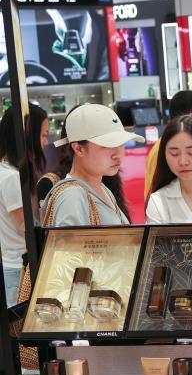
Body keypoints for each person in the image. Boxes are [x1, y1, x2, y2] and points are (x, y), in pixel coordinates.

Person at [41, 104, 135, 226]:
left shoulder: (102, 189)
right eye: (107, 145)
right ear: (78, 149)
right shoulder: (72, 196)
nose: (118, 154)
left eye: (121, 143)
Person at [0, 104, 48, 306]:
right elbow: (25, 227)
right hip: (19, 268)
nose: (46, 142)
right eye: (43, 135)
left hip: (17, 264)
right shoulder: (11, 177)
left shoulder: (8, 171)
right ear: (27, 137)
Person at [144, 90, 192, 199]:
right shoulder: (161, 149)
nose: (183, 162)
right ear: (190, 117)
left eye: (191, 152)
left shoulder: (162, 144)